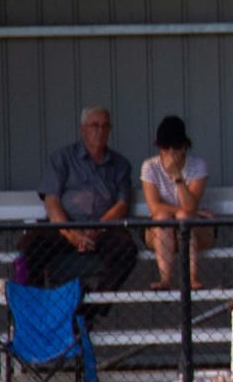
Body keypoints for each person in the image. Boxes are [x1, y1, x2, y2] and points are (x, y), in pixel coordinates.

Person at [17, 105, 138, 303]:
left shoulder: (120, 165)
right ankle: (39, 309)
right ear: (83, 129)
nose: (100, 131)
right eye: (94, 126)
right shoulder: (62, 159)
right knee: (31, 245)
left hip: (103, 230)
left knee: (126, 250)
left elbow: (121, 205)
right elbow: (52, 200)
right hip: (64, 228)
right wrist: (71, 234)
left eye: (105, 126)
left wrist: (94, 230)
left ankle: (92, 307)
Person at [140, 114, 213, 290]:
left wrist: (178, 178)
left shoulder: (198, 166)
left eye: (177, 146)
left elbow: (190, 206)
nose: (171, 152)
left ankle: (192, 278)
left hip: (194, 231)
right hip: (160, 232)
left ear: (185, 146)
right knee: (164, 217)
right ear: (159, 147)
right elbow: (154, 207)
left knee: (183, 216)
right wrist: (188, 212)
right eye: (166, 147)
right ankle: (165, 279)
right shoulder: (150, 166)